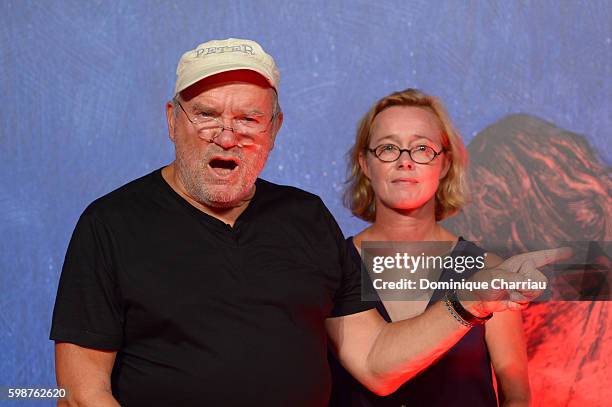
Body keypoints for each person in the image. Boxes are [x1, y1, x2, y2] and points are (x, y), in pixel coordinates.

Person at [50, 38, 565, 407]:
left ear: (275, 129)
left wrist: (470, 302)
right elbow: (79, 391)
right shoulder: (110, 225)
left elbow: (376, 363)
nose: (227, 136)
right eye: (207, 115)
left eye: (249, 119)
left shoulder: (306, 218)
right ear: (171, 120)